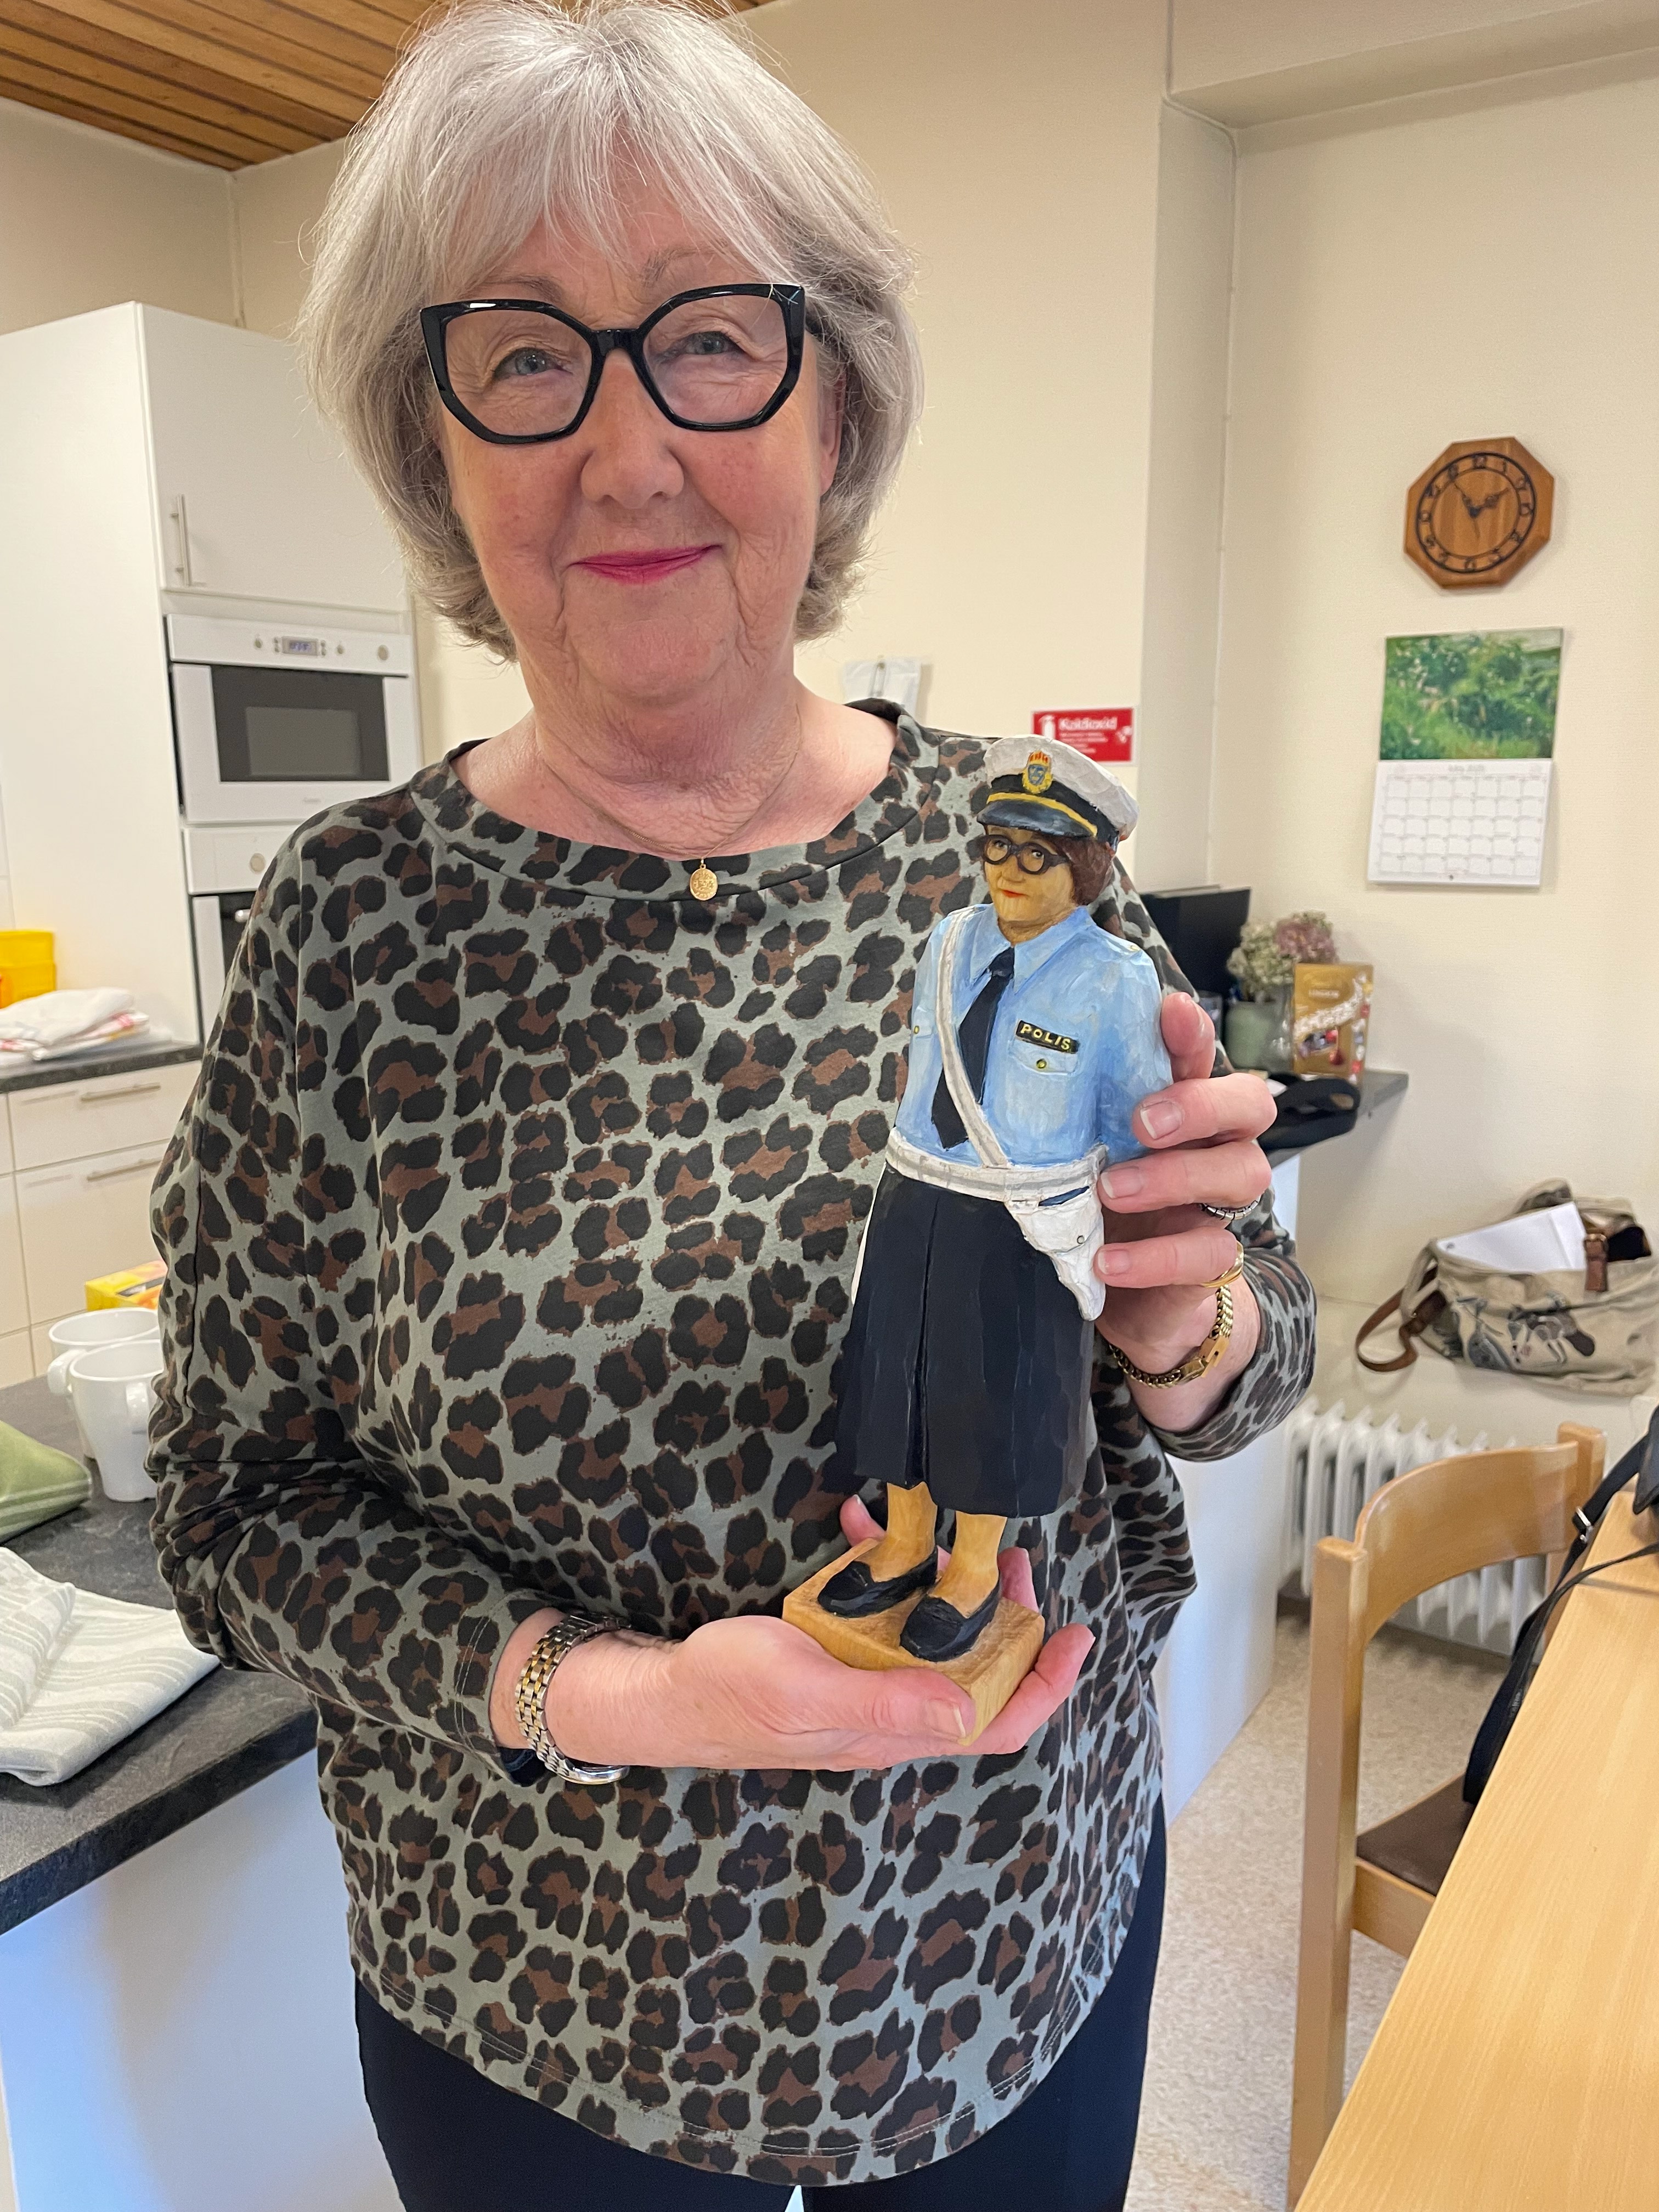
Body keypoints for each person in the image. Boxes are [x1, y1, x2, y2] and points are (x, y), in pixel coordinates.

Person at [146, 5, 1315, 2207]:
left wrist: (1194, 1325)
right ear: (433, 439)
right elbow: (232, 1505)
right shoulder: (351, 931)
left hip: (1008, 1942)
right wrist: (626, 1697)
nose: (626, 450)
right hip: (538, 2003)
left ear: (832, 402)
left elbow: (1253, 1357)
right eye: (523, 354)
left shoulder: (1019, 855)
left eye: (707, 340)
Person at [823, 736, 1177, 1662]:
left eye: (1039, 855)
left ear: (1087, 867)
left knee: (990, 1393)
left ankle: (973, 1567)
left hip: (1020, 1215)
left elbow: (1133, 1118)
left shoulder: (1116, 976)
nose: (1011, 872)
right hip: (917, 1187)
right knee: (897, 1376)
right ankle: (904, 1543)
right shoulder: (949, 942)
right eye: (998, 847)